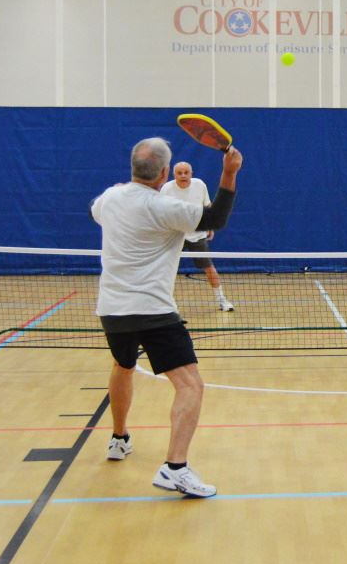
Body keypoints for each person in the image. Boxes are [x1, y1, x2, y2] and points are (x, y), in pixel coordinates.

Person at [90, 137, 243, 498]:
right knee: (191, 385)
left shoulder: (108, 200)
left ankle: (118, 438)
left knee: (123, 365)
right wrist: (230, 172)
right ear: (163, 173)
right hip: (153, 310)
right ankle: (175, 468)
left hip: (112, 309)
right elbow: (216, 218)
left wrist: (116, 191)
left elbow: (93, 209)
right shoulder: (166, 206)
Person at [161, 161, 235, 312]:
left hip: (197, 234)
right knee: (165, 269)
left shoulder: (199, 185)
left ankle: (221, 300)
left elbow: (207, 206)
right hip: (174, 235)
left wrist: (210, 226)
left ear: (191, 174)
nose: (183, 175)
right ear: (173, 175)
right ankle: (166, 304)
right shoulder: (167, 189)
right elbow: (160, 212)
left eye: (186, 172)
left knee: (208, 267)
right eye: (179, 173)